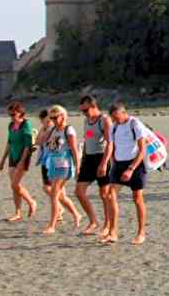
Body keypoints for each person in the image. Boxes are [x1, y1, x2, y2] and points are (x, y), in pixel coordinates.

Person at [102, 102, 149, 245]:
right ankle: (113, 232)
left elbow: (142, 150)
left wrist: (131, 169)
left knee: (137, 198)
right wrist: (107, 162)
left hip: (135, 164)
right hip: (118, 164)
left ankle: (141, 233)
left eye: (116, 117)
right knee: (110, 195)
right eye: (113, 118)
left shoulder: (135, 124)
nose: (115, 120)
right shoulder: (114, 127)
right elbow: (111, 146)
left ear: (123, 113)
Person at [41, 105, 82, 235]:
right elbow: (39, 141)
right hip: (53, 164)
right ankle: (77, 214)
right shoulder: (53, 129)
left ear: (63, 116)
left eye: (55, 117)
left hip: (64, 164)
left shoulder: (69, 130)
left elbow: (74, 150)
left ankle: (52, 225)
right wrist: (44, 127)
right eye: (51, 117)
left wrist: (78, 167)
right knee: (61, 196)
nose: (53, 120)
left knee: (54, 194)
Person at [75, 95, 112, 237]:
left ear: (93, 106)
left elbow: (110, 143)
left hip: (102, 158)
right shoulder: (86, 120)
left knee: (104, 194)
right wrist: (80, 162)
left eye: (85, 110)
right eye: (82, 111)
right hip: (88, 159)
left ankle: (107, 225)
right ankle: (93, 221)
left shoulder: (104, 120)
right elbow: (87, 139)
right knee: (79, 191)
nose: (83, 113)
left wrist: (104, 164)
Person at [0, 101, 37, 222]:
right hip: (12, 156)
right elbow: (9, 142)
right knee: (14, 187)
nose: (11, 117)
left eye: (13, 114)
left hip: (23, 156)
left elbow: (27, 145)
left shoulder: (26, 125)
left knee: (15, 184)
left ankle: (31, 202)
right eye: (9, 115)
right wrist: (3, 159)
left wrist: (22, 161)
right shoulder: (11, 125)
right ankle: (17, 213)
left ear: (20, 113)